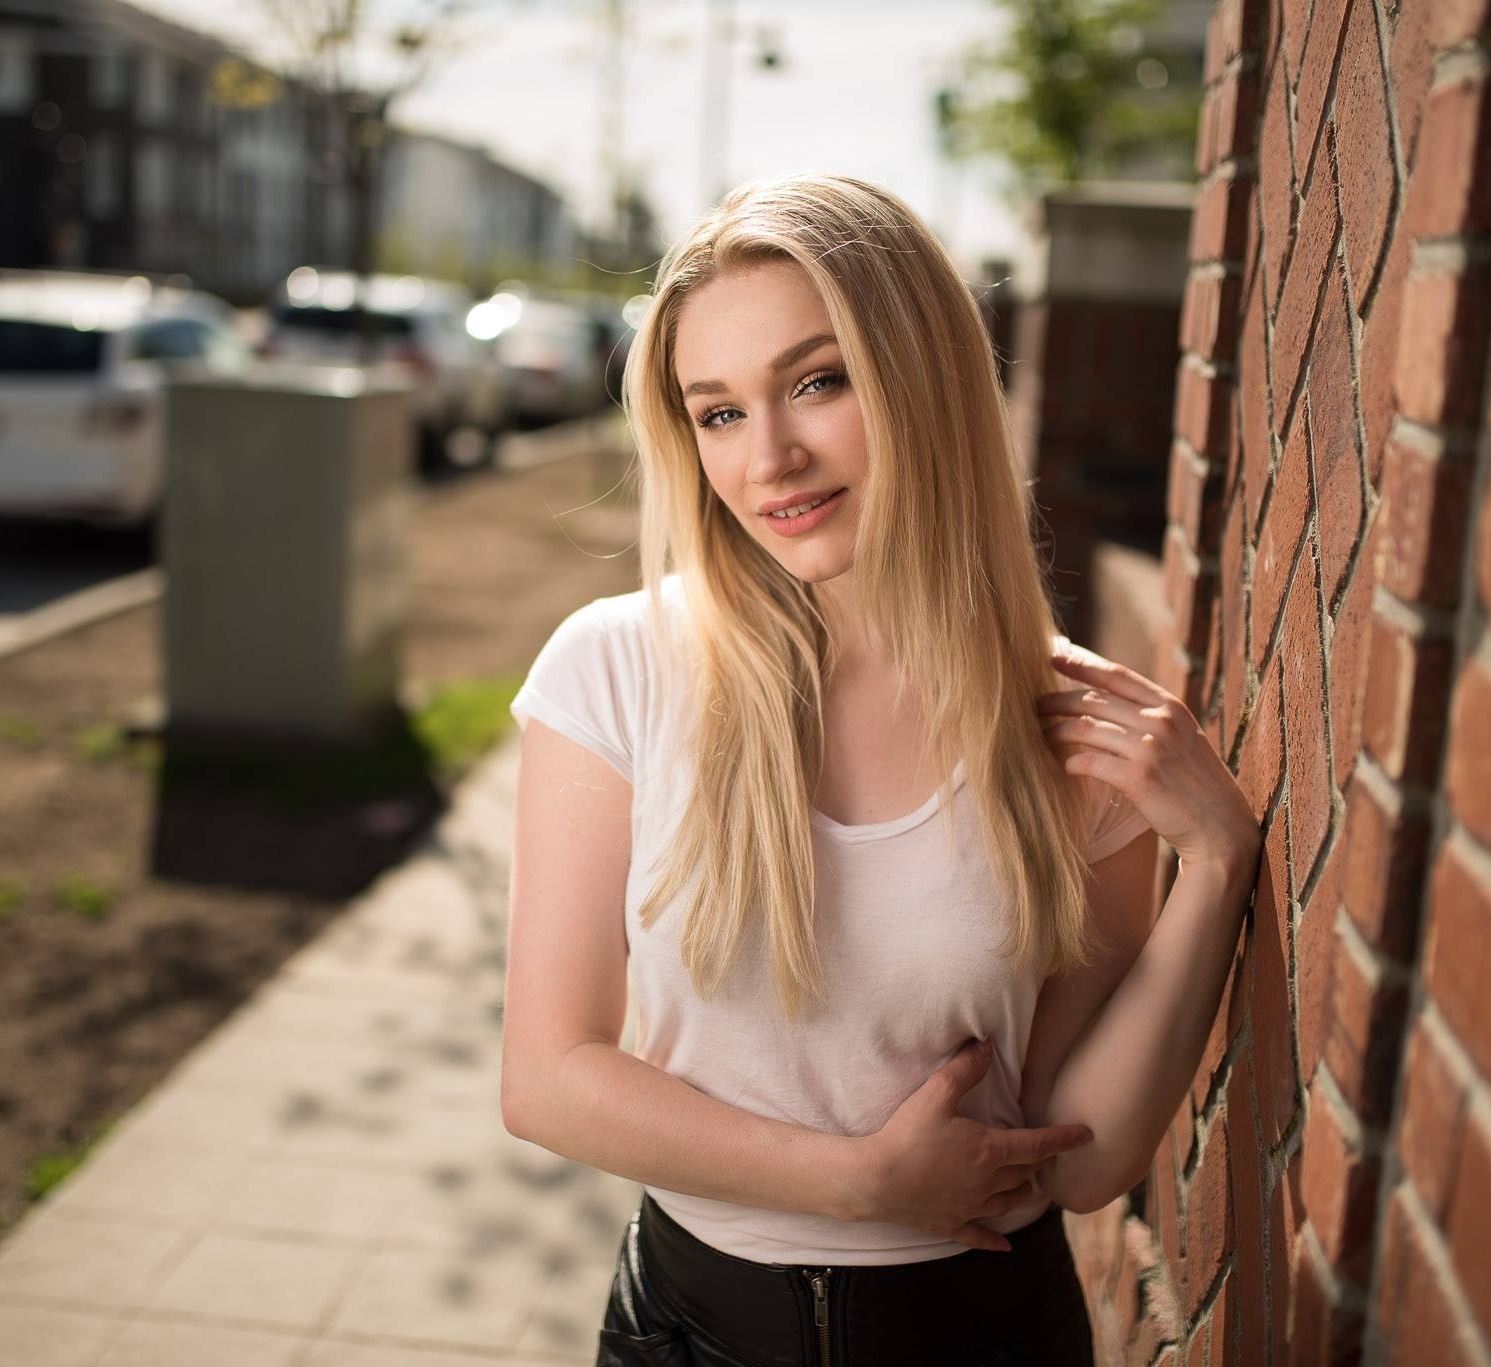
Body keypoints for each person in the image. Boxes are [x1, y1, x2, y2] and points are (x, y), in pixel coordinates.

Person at [500, 172, 1262, 1366]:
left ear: (922, 378)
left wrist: (1214, 866)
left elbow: (1084, 1151)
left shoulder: (1068, 722)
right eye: (719, 412)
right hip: (688, 1333)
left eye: (817, 381)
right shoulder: (614, 668)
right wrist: (854, 1181)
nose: (770, 459)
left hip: (984, 1334)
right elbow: (547, 1076)